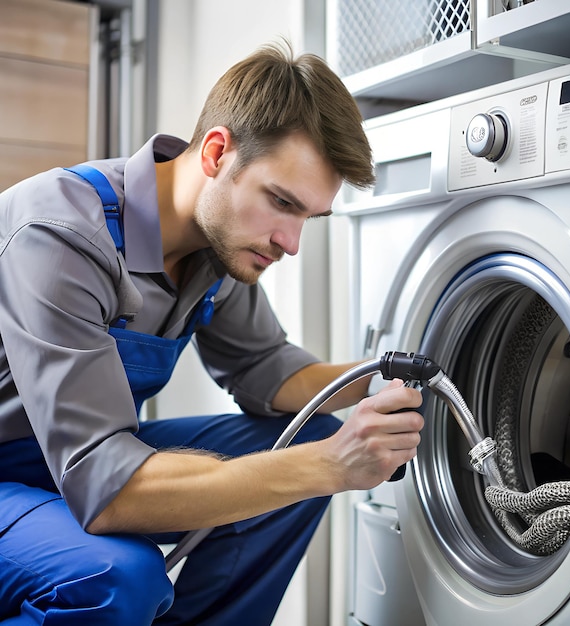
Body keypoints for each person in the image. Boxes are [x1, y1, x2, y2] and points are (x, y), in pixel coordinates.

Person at [0, 41, 424, 625]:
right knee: (118, 576)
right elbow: (108, 488)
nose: (290, 242)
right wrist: (331, 466)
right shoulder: (62, 235)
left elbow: (270, 372)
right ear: (218, 152)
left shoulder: (218, 249)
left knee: (298, 442)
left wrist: (387, 377)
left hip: (72, 462)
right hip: (17, 471)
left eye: (307, 218)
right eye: (281, 202)